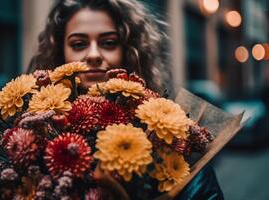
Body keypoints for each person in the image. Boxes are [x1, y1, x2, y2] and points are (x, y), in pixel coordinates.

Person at [28, 0, 224, 199]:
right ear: (61, 54)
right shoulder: (35, 143)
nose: (94, 55)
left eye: (108, 43)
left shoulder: (175, 139)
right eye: (79, 44)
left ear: (129, 51)